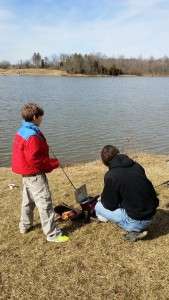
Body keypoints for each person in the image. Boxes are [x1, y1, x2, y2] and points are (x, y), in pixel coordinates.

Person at [12, 103, 69, 243]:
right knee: (45, 204)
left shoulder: (23, 130)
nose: (42, 120)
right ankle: (52, 234)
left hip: (26, 173)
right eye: (41, 117)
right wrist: (54, 163)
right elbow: (35, 161)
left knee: (28, 201)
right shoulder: (32, 136)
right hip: (34, 174)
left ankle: (24, 226)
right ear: (35, 117)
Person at [95, 145, 159, 241]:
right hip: (152, 214)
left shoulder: (111, 175)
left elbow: (110, 205)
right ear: (118, 153)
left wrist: (102, 198)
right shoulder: (136, 165)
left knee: (98, 206)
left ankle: (134, 230)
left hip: (137, 220)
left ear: (104, 161)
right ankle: (136, 227)